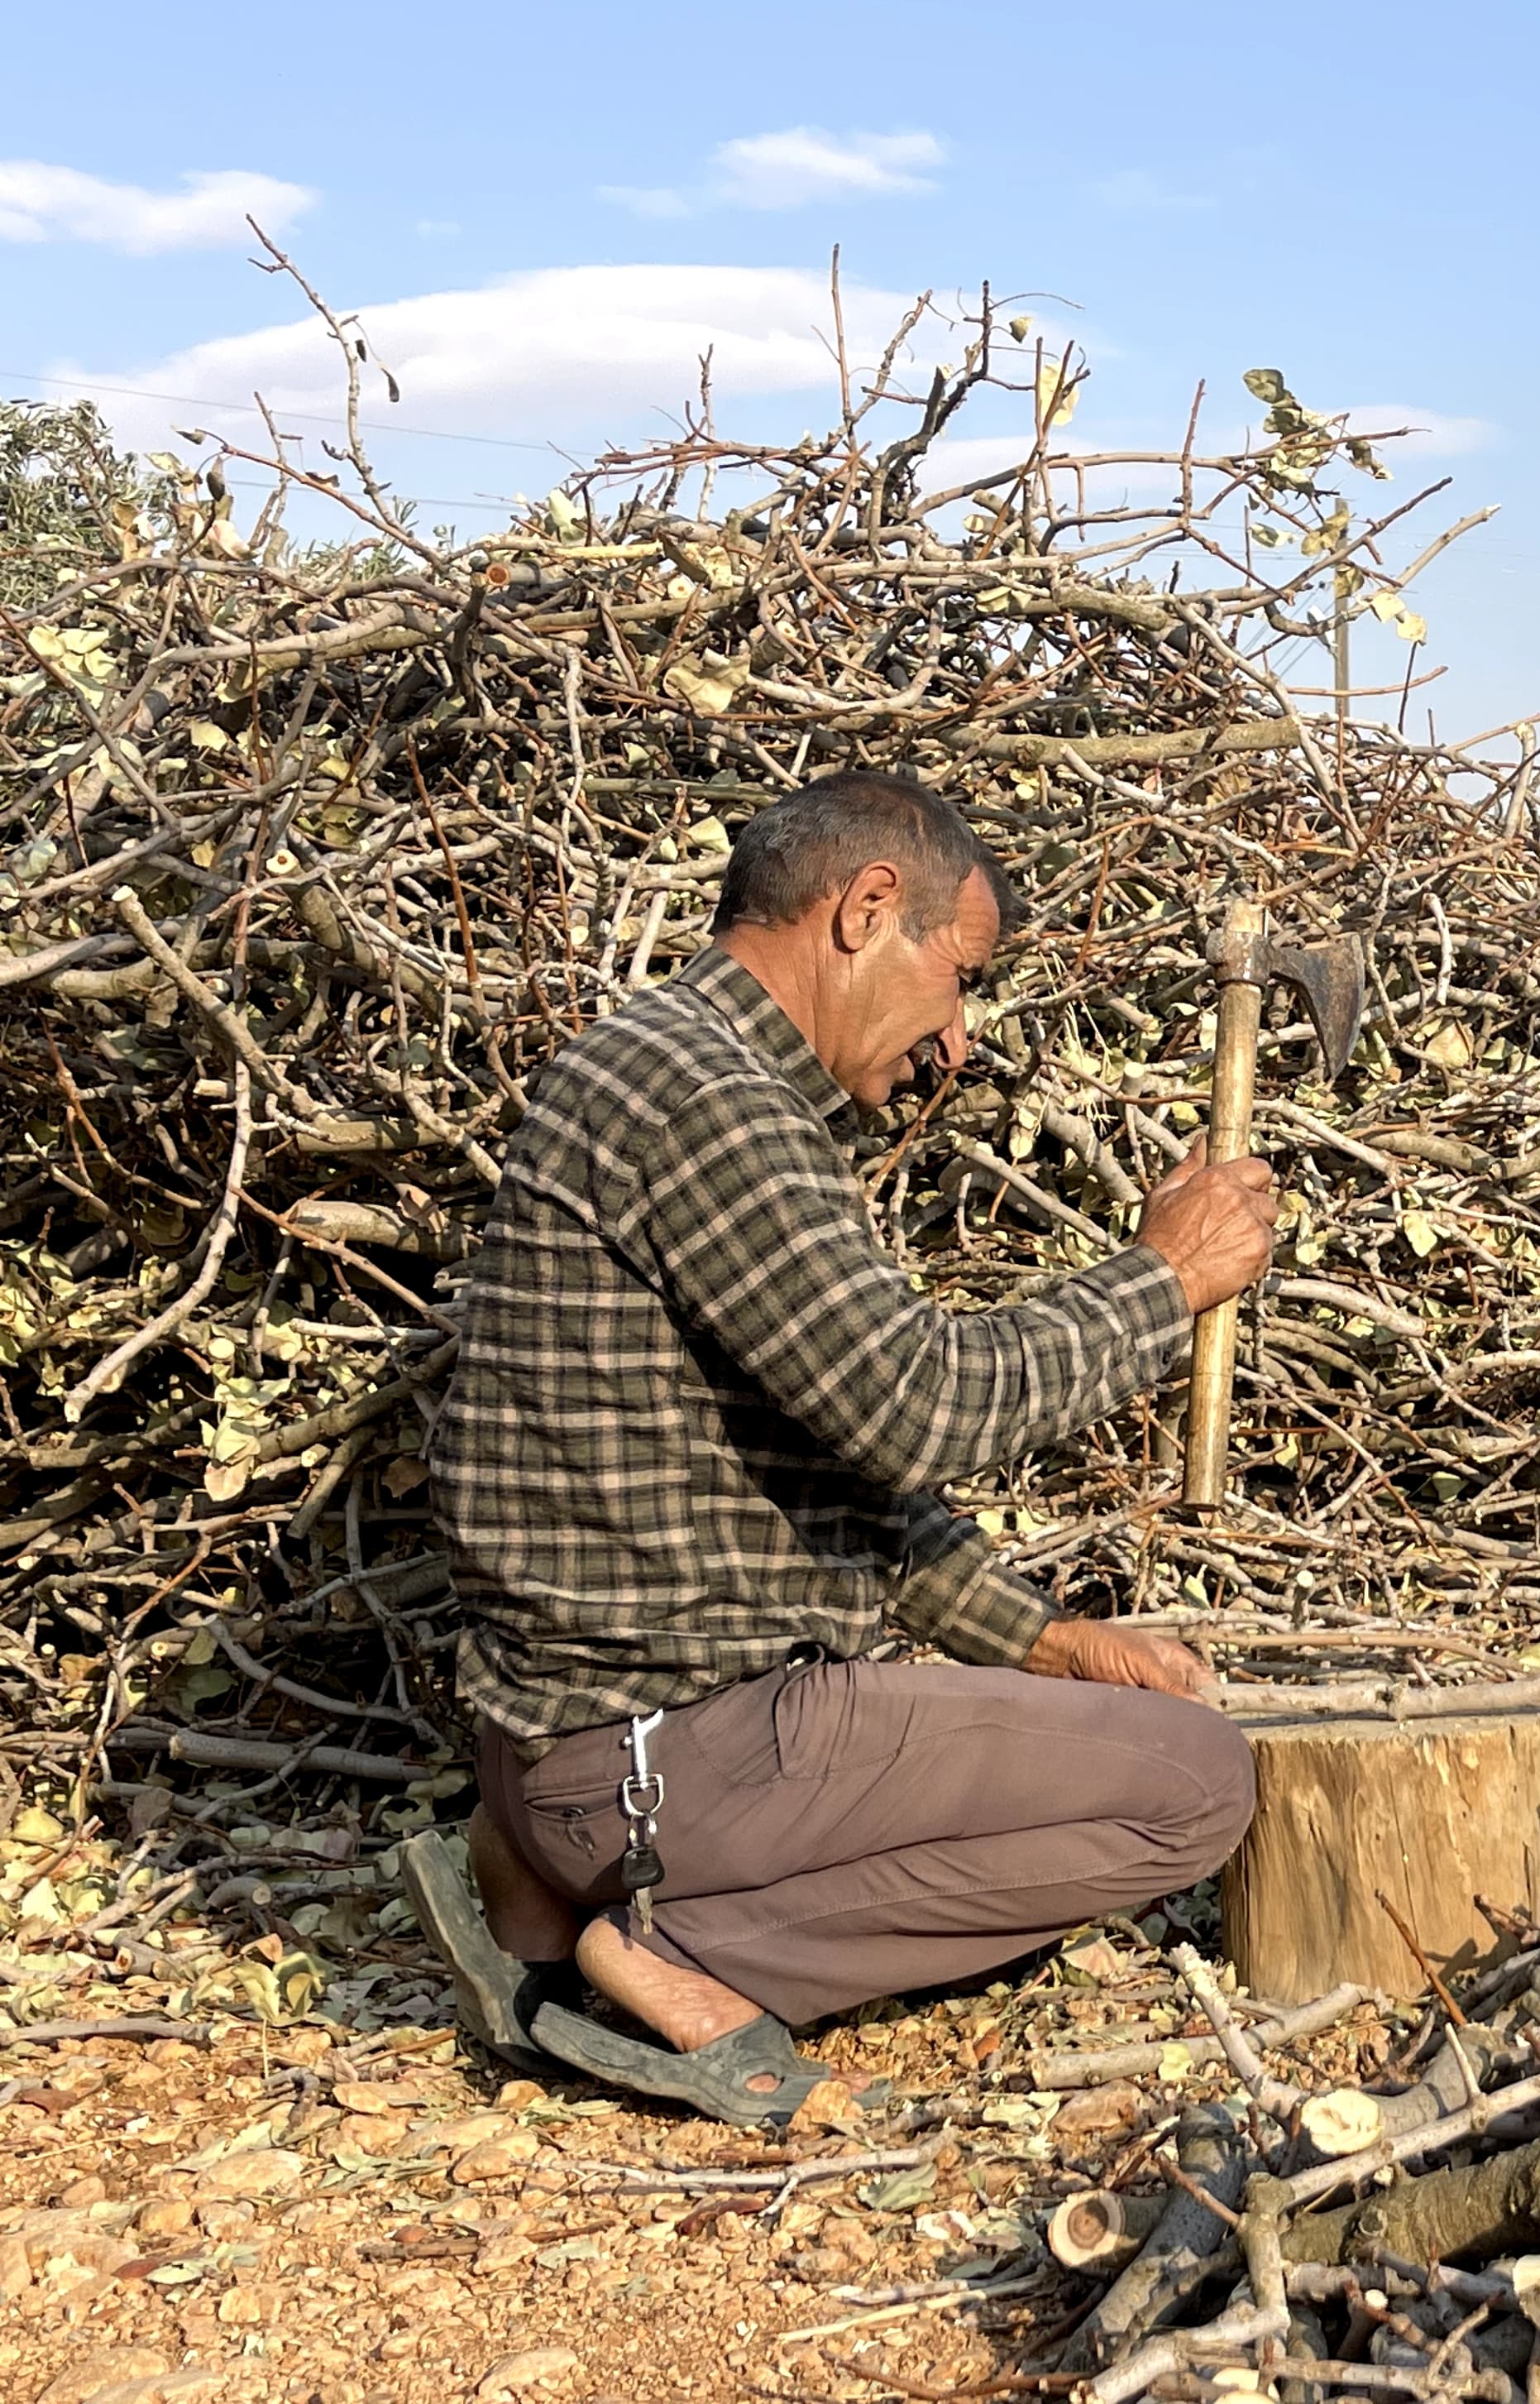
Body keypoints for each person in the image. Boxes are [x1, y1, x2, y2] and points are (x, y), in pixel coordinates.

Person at [404, 769, 1278, 2124]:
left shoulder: (666, 1068)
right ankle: (653, 1960)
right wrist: (1163, 1280)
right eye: (961, 975)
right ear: (869, 909)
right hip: (659, 1756)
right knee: (1197, 1786)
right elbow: (922, 1406)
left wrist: (1047, 1639)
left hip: (576, 1757)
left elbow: (829, 1467)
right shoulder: (708, 1103)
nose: (961, 1040)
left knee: (1120, 1734)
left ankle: (536, 1881)